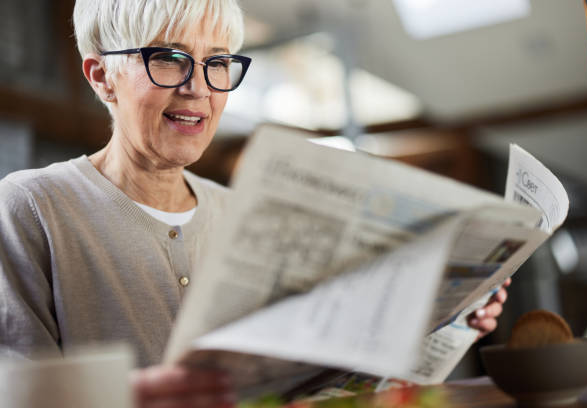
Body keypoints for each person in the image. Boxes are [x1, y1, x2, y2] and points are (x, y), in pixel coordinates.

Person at [0, 0, 508, 406]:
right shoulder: (31, 207)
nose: (198, 87)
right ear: (101, 76)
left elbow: (312, 380)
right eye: (169, 58)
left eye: (217, 62)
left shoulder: (245, 212)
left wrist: (437, 318)